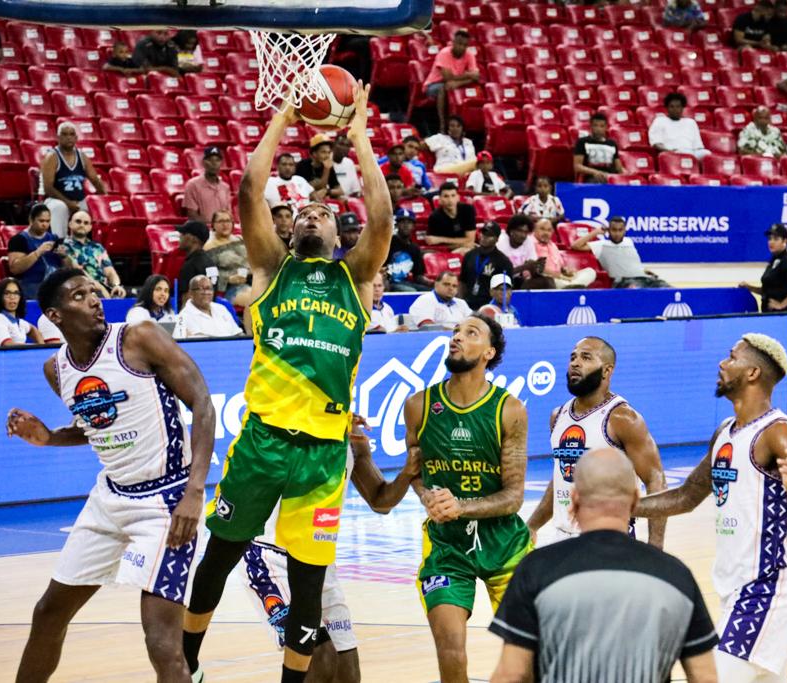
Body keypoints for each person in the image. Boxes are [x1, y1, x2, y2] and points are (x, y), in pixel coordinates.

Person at [182, 84, 391, 683]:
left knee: (307, 584)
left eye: (322, 212)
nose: (311, 214)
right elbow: (250, 189)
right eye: (302, 212)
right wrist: (283, 116)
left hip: (324, 458)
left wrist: (357, 135)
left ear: (337, 233)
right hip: (262, 443)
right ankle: (188, 662)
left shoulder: (355, 276)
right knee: (218, 556)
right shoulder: (273, 269)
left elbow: (381, 215)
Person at [9, 268, 216, 682]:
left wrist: (195, 491)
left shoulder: (138, 337)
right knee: (48, 613)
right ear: (55, 315)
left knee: (162, 644)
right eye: (79, 296)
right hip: (109, 498)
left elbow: (203, 403)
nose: (94, 299)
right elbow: (96, 427)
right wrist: (49, 438)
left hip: (166, 500)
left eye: (94, 291)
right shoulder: (57, 370)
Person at [634, 333, 787, 683]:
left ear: (752, 373)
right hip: (735, 591)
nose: (722, 363)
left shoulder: (778, 433)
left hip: (765, 589)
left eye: (732, 357)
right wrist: (627, 506)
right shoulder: (726, 431)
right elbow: (688, 496)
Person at [490, 448, 718, 683]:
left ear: (575, 499)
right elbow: (705, 677)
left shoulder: (536, 569)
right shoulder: (676, 576)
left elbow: (511, 674)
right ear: (636, 500)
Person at [240, 418, 421, 683]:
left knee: (347, 672)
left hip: (319, 561)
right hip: (271, 558)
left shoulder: (351, 430)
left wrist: (406, 473)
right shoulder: (291, 414)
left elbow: (381, 501)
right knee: (320, 657)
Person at [405, 313, 531, 683]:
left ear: (489, 352)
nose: (457, 337)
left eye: (470, 333)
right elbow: (415, 472)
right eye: (456, 331)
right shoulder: (419, 406)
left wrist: (461, 506)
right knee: (451, 654)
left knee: (529, 659)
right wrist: (428, 496)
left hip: (505, 546)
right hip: (447, 549)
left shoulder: (510, 410)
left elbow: (514, 496)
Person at [526, 336, 666, 546]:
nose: (575, 362)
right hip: (563, 539)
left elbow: (656, 480)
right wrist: (532, 525)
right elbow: (562, 480)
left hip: (609, 540)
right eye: (573, 357)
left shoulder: (622, 418)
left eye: (586, 357)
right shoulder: (558, 416)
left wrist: (656, 546)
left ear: (607, 371)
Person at [40, 122, 107, 238]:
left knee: (94, 207)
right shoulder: (52, 157)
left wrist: (104, 199)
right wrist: (68, 203)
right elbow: (48, 188)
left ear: (76, 138)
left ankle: (88, 243)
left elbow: (95, 180)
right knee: (60, 208)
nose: (68, 137)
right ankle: (59, 242)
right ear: (58, 137)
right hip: (55, 199)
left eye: (71, 134)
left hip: (78, 200)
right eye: (64, 134)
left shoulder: (82, 156)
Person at [571, 216, 670, 289]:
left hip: (645, 278)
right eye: (614, 230)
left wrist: (642, 270)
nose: (617, 233)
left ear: (625, 230)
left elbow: (629, 262)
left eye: (620, 230)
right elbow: (575, 245)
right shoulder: (600, 245)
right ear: (608, 231)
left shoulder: (629, 241)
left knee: (669, 289)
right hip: (624, 282)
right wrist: (595, 232)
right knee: (639, 291)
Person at [738, 224, 787, 325]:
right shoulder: (774, 260)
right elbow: (768, 290)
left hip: (782, 314)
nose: (771, 242)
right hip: (769, 312)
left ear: (785, 241)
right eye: (770, 239)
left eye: (776, 239)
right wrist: (749, 287)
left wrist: (782, 305)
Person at [423, 29, 480, 133]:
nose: (461, 47)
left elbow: (476, 76)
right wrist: (467, 75)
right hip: (433, 85)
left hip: (455, 86)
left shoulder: (469, 55)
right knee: (443, 88)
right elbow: (447, 77)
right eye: (459, 44)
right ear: (453, 42)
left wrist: (458, 82)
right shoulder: (444, 53)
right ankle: (443, 125)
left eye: (464, 45)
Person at [8, 203, 69, 300]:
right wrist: (38, 252)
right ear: (31, 220)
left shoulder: (54, 239)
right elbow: (15, 268)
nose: (45, 224)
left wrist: (64, 257)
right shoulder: (19, 240)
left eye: (47, 221)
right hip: (31, 285)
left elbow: (67, 267)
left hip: (55, 284)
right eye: (41, 221)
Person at [62, 210, 127, 299]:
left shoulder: (97, 247)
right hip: (82, 288)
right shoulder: (63, 246)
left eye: (86, 223)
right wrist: (100, 288)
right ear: (70, 224)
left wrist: (116, 285)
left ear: (90, 227)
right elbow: (77, 271)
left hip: (104, 288)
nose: (82, 225)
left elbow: (110, 271)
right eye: (78, 221)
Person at [460, 222, 513, 309]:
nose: (485, 237)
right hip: (467, 305)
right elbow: (462, 282)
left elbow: (505, 289)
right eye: (483, 233)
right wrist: (461, 303)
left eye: (489, 235)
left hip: (489, 306)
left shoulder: (503, 261)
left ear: (497, 239)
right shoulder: (469, 255)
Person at [204, 209, 251, 308]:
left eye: (228, 221)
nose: (225, 224)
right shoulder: (209, 247)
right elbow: (208, 274)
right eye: (221, 221)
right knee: (257, 299)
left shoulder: (240, 239)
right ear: (213, 225)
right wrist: (228, 279)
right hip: (228, 289)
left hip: (251, 281)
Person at [531, 218, 595, 288]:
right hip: (545, 279)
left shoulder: (553, 245)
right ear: (534, 230)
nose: (546, 233)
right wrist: (560, 276)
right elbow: (536, 268)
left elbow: (561, 267)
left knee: (590, 272)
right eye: (542, 229)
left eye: (549, 230)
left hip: (561, 278)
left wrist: (567, 270)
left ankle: (571, 286)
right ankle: (572, 286)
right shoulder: (530, 244)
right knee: (549, 281)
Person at [176, 275, 243, 338]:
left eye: (209, 288)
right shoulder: (184, 317)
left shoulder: (221, 308)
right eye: (201, 289)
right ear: (190, 293)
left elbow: (238, 333)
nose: (206, 292)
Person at [0, 278, 44, 346]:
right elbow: (9, 345)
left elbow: (33, 329)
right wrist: (34, 348)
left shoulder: (19, 322)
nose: (12, 297)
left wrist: (41, 346)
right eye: (7, 293)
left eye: (16, 293)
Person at [649, 92, 709, 160]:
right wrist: (670, 151)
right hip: (673, 153)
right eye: (672, 106)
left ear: (682, 108)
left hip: (692, 153)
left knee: (707, 154)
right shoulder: (660, 121)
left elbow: (698, 146)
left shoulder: (691, 122)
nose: (675, 109)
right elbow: (656, 143)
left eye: (678, 107)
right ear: (667, 108)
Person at [385, 208, 431, 292]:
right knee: (410, 290)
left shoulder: (414, 248)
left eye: (409, 222)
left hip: (406, 282)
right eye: (402, 222)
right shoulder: (389, 244)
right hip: (389, 283)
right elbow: (381, 268)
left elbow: (418, 276)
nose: (406, 225)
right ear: (397, 225)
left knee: (430, 291)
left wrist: (430, 283)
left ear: (414, 226)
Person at [184, 147, 232, 224]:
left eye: (217, 160)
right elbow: (192, 215)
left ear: (221, 163)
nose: (214, 163)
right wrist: (210, 228)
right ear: (203, 162)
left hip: (222, 231)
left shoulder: (225, 187)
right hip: (202, 231)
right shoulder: (192, 185)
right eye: (210, 160)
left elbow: (228, 213)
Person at [175, 220, 218, 306]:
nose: (180, 236)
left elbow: (186, 302)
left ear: (193, 239)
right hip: (210, 313)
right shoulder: (211, 262)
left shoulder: (190, 266)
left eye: (183, 233)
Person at [574, 113, 625, 182]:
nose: (598, 129)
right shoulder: (582, 142)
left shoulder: (612, 144)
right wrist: (595, 172)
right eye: (595, 126)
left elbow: (619, 168)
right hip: (591, 177)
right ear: (591, 126)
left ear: (606, 127)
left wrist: (629, 175)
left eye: (602, 126)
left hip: (610, 177)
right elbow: (577, 166)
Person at [427, 183, 477, 254]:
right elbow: (432, 242)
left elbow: (470, 240)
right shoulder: (434, 217)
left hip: (469, 248)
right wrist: (462, 243)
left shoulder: (468, 210)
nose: (450, 200)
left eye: (453, 196)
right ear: (440, 199)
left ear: (458, 197)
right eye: (446, 196)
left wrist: (441, 239)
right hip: (448, 252)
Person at [297, 135, 344, 201]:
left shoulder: (328, 165)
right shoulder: (303, 165)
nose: (327, 155)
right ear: (314, 153)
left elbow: (340, 191)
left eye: (329, 152)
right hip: (305, 199)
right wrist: (326, 169)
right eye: (323, 152)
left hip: (321, 200)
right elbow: (313, 189)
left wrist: (327, 191)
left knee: (342, 199)